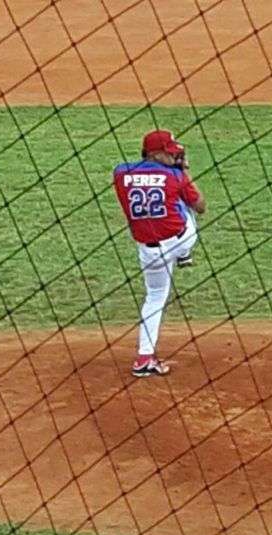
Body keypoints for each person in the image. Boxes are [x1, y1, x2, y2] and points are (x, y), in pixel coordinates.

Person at [113, 129, 206, 377]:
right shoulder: (176, 176)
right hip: (178, 240)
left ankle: (144, 358)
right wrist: (183, 170)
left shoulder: (121, 173)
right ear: (154, 153)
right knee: (187, 210)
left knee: (154, 298)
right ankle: (185, 253)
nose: (174, 156)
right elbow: (201, 206)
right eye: (169, 153)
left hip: (148, 252)